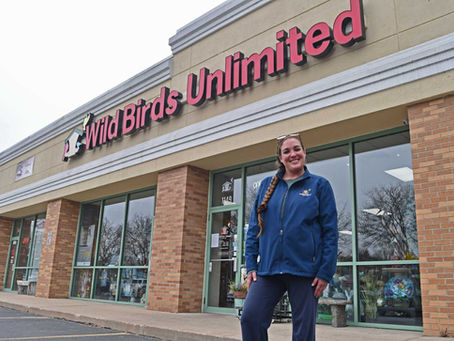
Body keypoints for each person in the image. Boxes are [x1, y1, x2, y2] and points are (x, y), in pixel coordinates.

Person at [241, 133, 338, 341]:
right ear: (280, 158)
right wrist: (251, 265)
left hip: (305, 272)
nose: (293, 154)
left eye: (296, 149)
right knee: (250, 317)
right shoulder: (267, 185)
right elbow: (253, 231)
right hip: (268, 270)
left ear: (304, 152)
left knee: (303, 333)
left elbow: (330, 232)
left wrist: (325, 272)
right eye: (287, 151)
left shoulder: (319, 186)